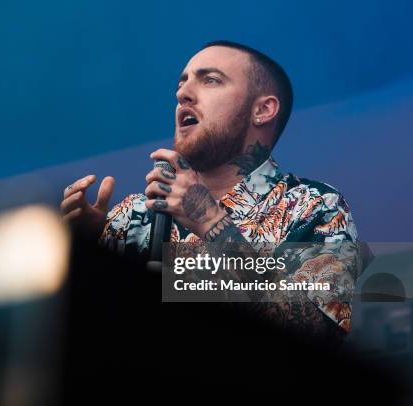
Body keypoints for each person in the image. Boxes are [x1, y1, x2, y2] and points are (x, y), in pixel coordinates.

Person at [60, 40, 361, 338]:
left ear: (263, 109)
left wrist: (209, 220)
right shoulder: (137, 214)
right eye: (182, 84)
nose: (183, 94)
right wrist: (85, 249)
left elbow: (317, 333)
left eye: (211, 80)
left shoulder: (313, 206)